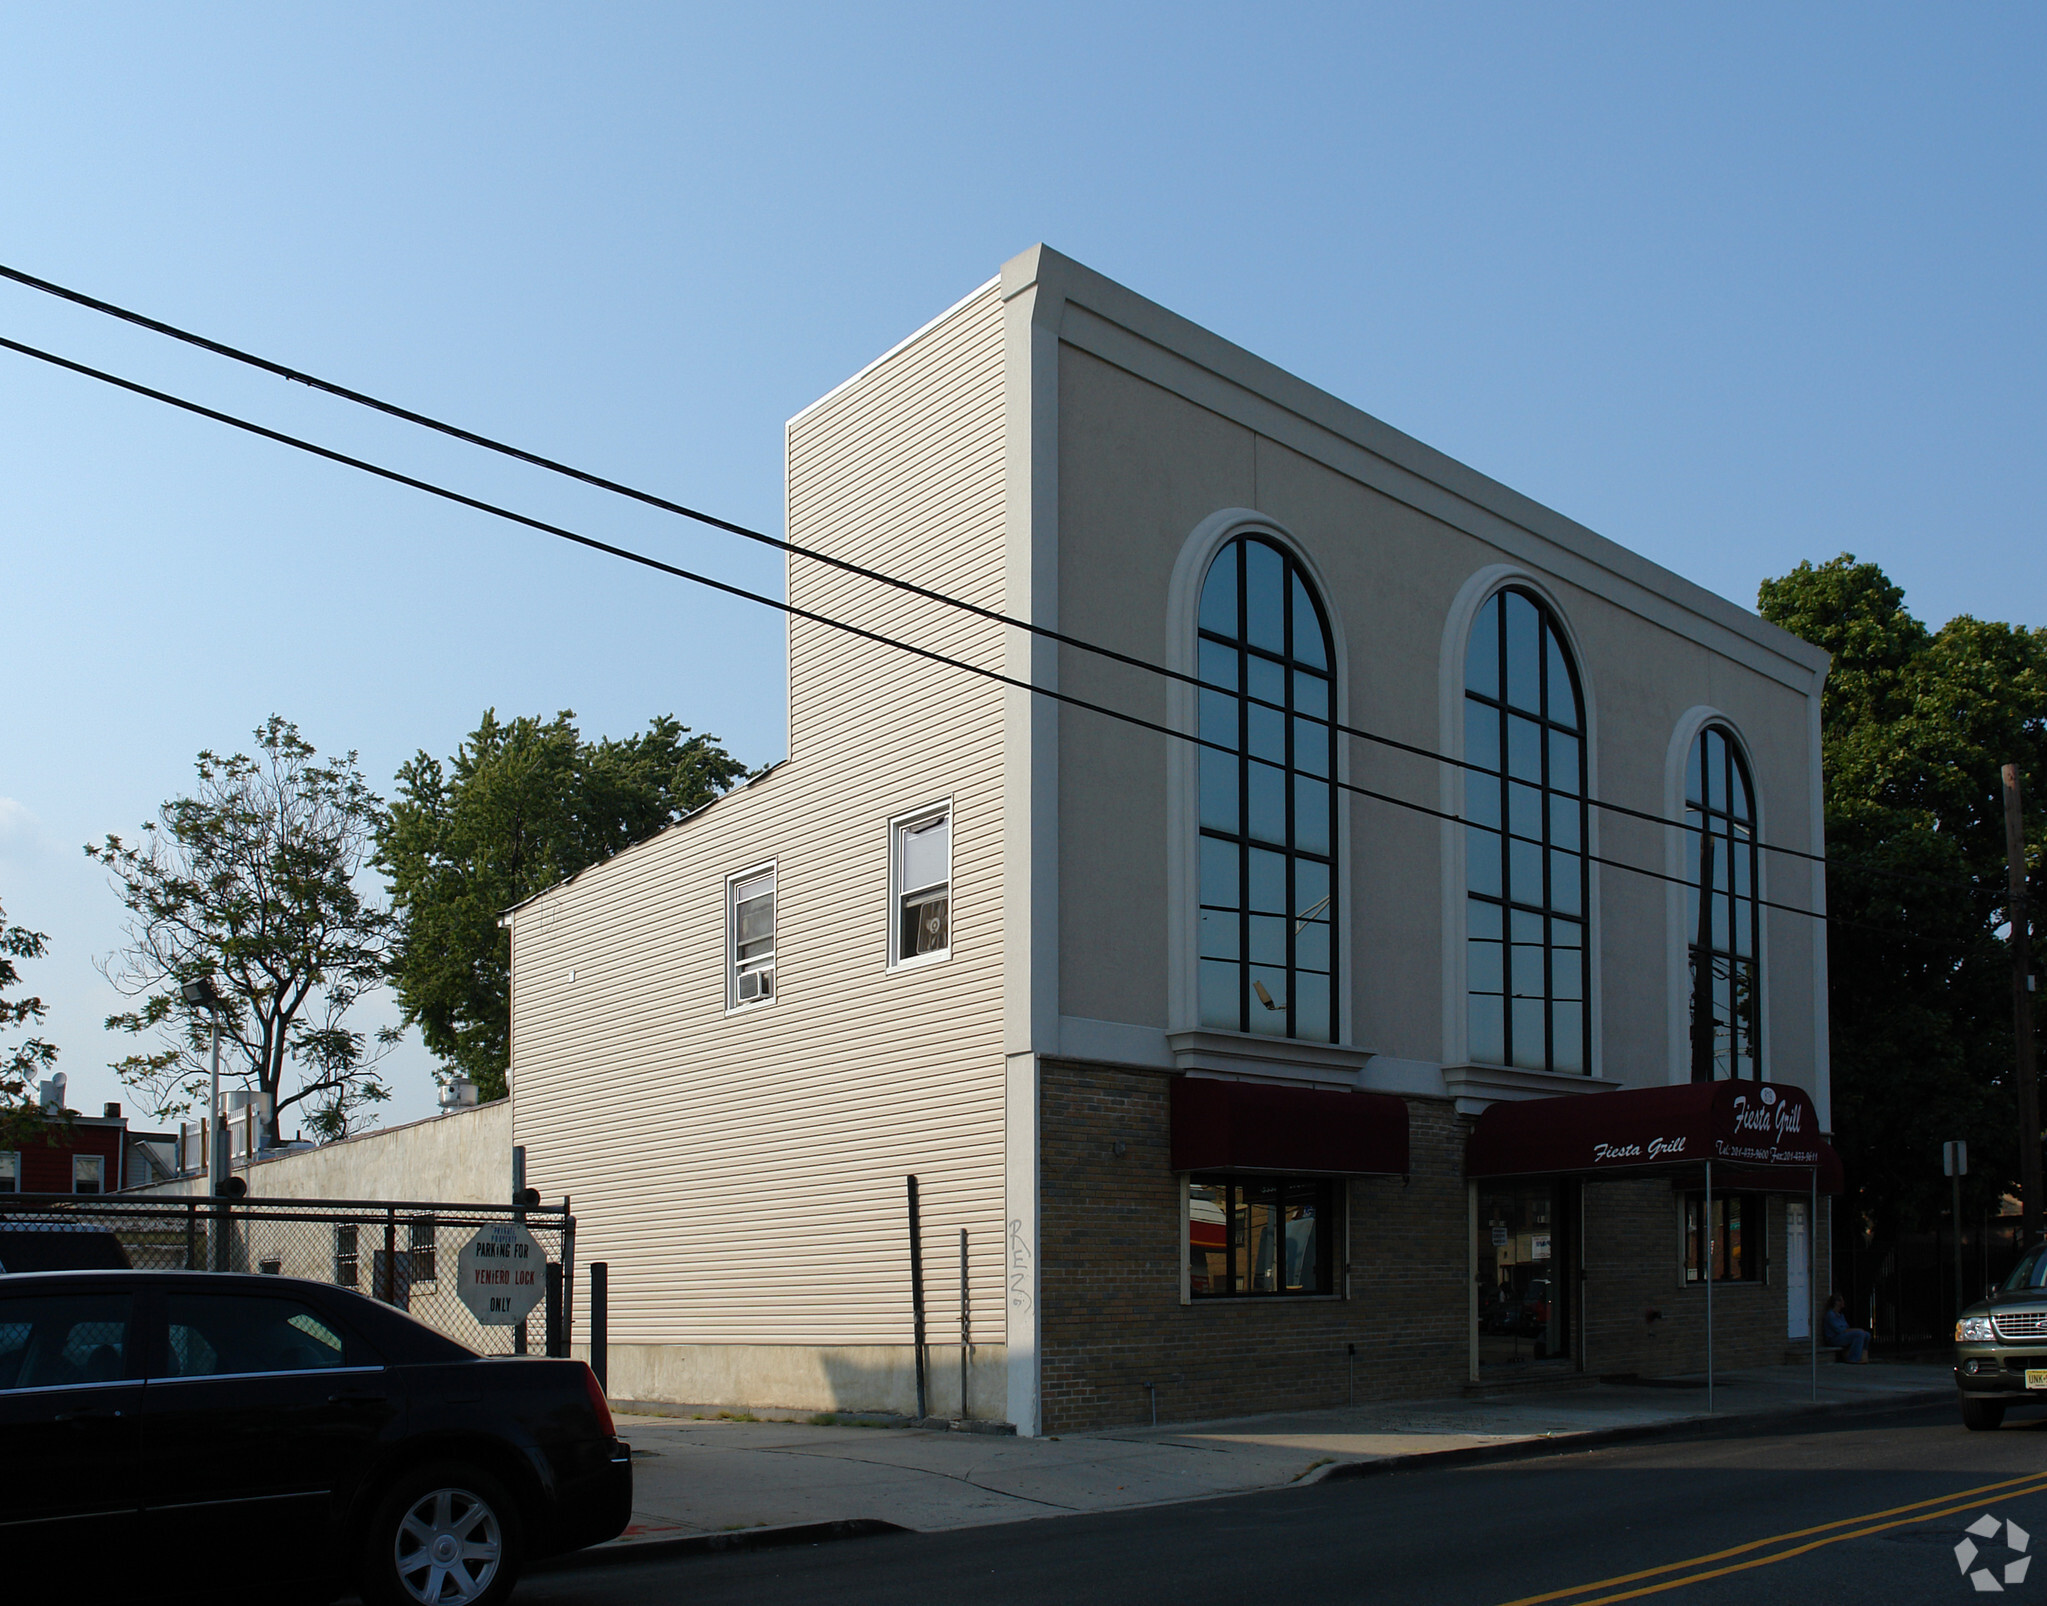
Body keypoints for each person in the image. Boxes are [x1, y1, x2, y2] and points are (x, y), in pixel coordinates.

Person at [1821, 1293, 1870, 1362]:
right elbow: (1840, 1330)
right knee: (1859, 1334)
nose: (1843, 1302)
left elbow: (1846, 1327)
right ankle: (1853, 1358)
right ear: (1836, 1302)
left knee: (1866, 1334)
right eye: (1841, 1301)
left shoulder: (1841, 1315)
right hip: (1834, 1338)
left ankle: (1863, 1356)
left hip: (1842, 1335)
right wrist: (1855, 1330)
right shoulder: (1830, 1315)